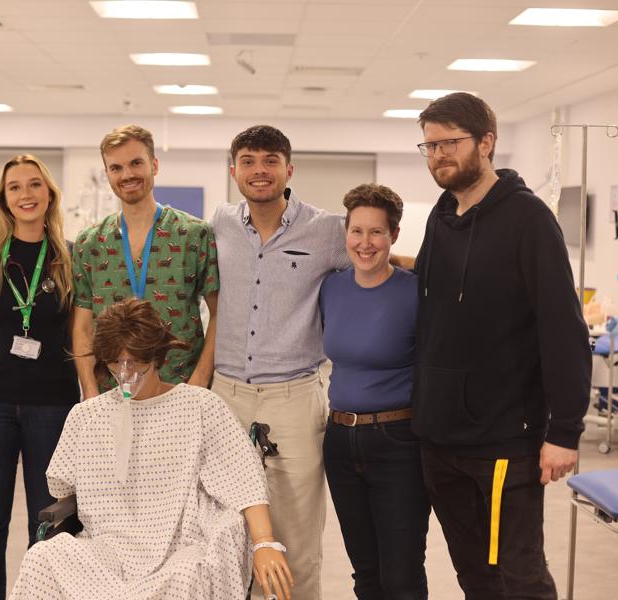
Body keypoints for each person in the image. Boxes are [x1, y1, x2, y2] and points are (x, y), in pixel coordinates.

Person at [412, 92, 591, 598]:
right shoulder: (442, 214)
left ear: (486, 142)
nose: (438, 155)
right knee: (475, 576)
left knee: (519, 577)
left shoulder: (528, 219)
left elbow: (563, 328)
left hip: (503, 441)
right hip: (439, 438)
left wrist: (565, 431)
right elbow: (429, 288)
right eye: (429, 146)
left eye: (449, 143)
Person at [10, 298, 294, 600]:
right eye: (116, 362)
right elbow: (63, 489)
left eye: (135, 361)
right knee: (42, 558)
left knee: (187, 575)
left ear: (156, 354)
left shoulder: (200, 406)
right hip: (107, 549)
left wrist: (264, 542)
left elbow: (244, 479)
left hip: (180, 550)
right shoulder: (87, 417)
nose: (125, 372)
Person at [210, 124, 350, 600]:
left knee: (296, 537)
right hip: (226, 396)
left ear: (289, 170)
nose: (259, 171)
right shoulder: (220, 224)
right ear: (234, 171)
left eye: (270, 160)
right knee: (226, 532)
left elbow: (377, 258)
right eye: (248, 161)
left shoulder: (327, 230)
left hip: (294, 397)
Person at [0, 154, 79, 600]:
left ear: (49, 194)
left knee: (48, 520)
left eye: (34, 185)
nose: (26, 194)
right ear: (3, 199)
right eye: (15, 187)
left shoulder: (69, 257)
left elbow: (79, 333)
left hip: (53, 404)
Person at [320, 183, 430, 599]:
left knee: (401, 576)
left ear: (394, 235)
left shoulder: (415, 292)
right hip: (339, 441)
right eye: (357, 231)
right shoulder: (331, 288)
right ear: (346, 233)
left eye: (376, 232)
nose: (365, 243)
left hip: (398, 443)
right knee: (365, 573)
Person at [71, 124, 218, 398]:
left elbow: (219, 314)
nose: (127, 174)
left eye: (136, 163)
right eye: (116, 168)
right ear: (107, 174)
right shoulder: (90, 244)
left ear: (154, 165)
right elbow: (82, 327)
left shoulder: (192, 234)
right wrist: (90, 390)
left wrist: (198, 382)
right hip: (112, 392)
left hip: (179, 389)